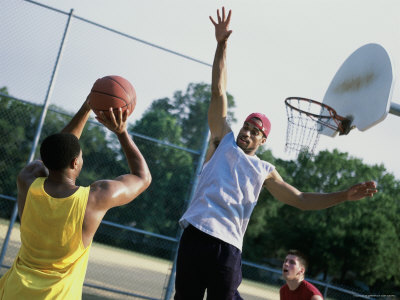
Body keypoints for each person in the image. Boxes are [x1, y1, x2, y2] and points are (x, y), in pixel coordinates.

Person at [174, 7, 378, 300]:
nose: (246, 132)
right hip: (196, 234)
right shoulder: (223, 140)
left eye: (254, 130)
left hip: (227, 246)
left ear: (263, 139)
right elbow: (218, 91)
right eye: (245, 126)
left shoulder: (264, 170)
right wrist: (221, 45)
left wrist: (343, 195)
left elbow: (301, 199)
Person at [0, 97, 151, 299]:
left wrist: (86, 108)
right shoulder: (94, 199)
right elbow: (142, 177)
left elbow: (56, 148)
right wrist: (121, 132)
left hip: (14, 291)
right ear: (74, 163)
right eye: (80, 156)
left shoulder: (27, 181)